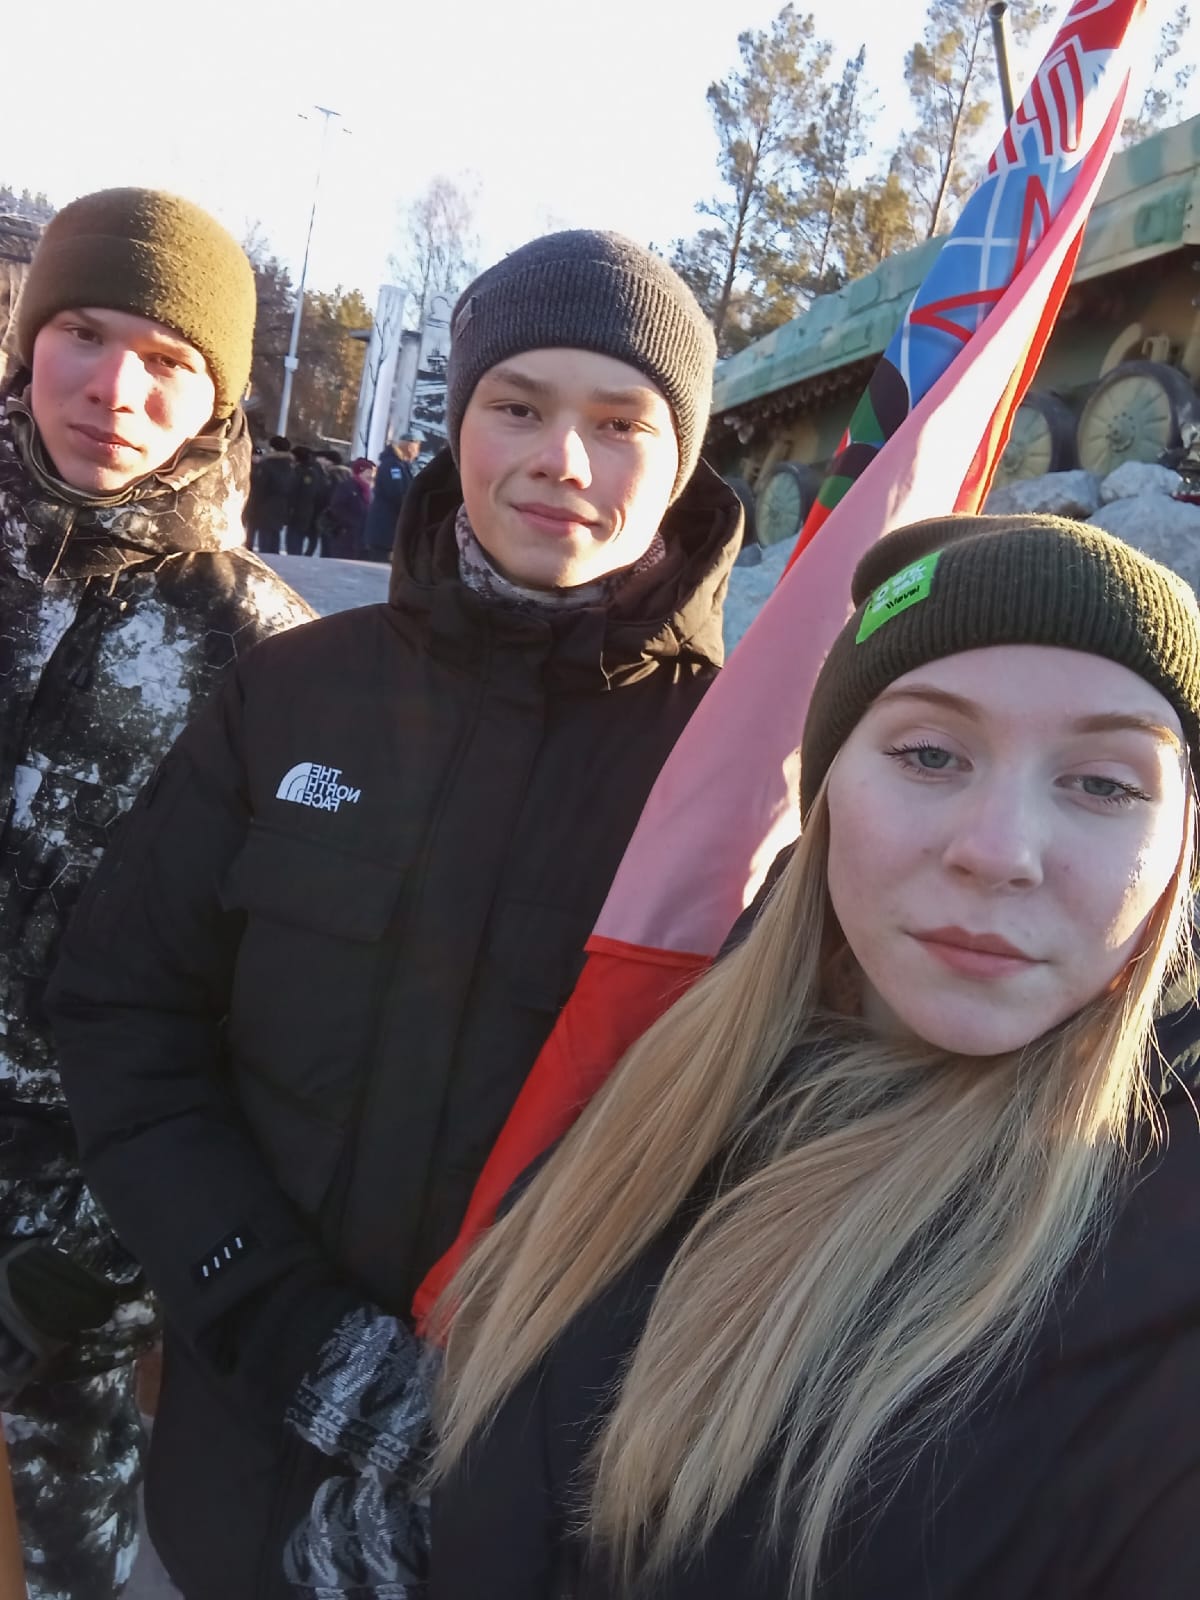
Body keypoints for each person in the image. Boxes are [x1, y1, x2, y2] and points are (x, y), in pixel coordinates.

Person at [46, 230, 742, 1599]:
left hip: (540, 1513)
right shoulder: (291, 693)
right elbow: (125, 1008)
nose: (562, 460)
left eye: (620, 423)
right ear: (459, 422)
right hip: (234, 1467)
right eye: (517, 406)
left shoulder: (744, 775)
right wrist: (271, 1314)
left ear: (684, 458)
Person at [431, 513, 1200, 1600]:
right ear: (829, 792)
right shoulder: (696, 1064)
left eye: (1105, 784)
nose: (997, 852)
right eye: (929, 754)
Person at [0, 187, 313, 1600]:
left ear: (221, 398)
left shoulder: (268, 658)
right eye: (82, 332)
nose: (115, 389)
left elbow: (264, 1004)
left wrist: (116, 1255)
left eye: (169, 359)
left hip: (72, 1237)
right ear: (29, 341)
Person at [364, 435, 421, 562]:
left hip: (390, 530)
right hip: (384, 530)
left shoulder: (402, 465)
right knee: (379, 566)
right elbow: (396, 492)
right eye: (417, 448)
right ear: (409, 447)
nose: (417, 452)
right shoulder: (392, 465)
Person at [244, 432, 295, 553]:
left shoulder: (267, 465)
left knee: (264, 540)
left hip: (264, 507)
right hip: (282, 507)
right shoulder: (291, 466)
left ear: (273, 448)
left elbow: (259, 488)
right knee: (274, 539)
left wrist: (251, 507)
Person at [325, 454, 374, 559]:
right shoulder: (347, 486)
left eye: (372, 473)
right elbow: (336, 507)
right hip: (345, 536)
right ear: (359, 472)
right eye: (368, 472)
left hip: (362, 537)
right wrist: (351, 522)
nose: (371, 476)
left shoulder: (369, 491)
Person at [287, 443, 325, 556]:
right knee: (309, 539)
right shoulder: (318, 469)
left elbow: (295, 491)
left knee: (294, 541)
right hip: (313, 512)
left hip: (299, 512)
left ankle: (295, 559)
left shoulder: (302, 471)